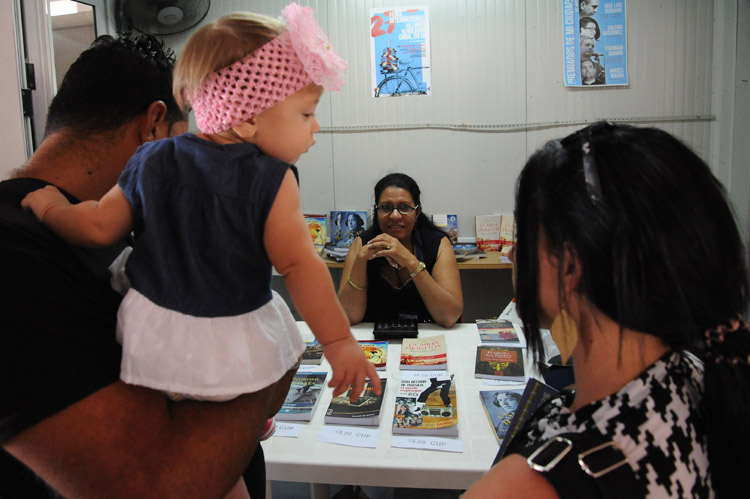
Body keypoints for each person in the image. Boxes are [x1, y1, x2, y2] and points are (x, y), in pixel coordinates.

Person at [21, 5, 379, 486]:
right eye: (307, 113)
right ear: (248, 118)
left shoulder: (151, 157)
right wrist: (337, 342)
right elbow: (300, 265)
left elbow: (97, 228)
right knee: (224, 466)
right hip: (232, 344)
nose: (315, 127)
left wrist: (48, 209)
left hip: (153, 339)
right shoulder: (273, 181)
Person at [0, 32, 289, 498]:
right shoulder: (16, 254)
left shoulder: (127, 234)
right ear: (154, 124)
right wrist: (271, 338)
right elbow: (159, 483)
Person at [463, 122, 750, 498]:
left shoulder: (533, 486)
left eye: (524, 236)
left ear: (569, 267)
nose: (513, 255)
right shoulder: (701, 380)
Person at [337, 173, 463, 327]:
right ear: (376, 211)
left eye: (404, 207)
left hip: (426, 340)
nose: (395, 216)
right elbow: (347, 317)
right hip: (374, 341)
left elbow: (449, 317)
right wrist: (360, 261)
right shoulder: (361, 244)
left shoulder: (437, 244)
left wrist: (410, 261)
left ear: (417, 212)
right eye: (385, 208)